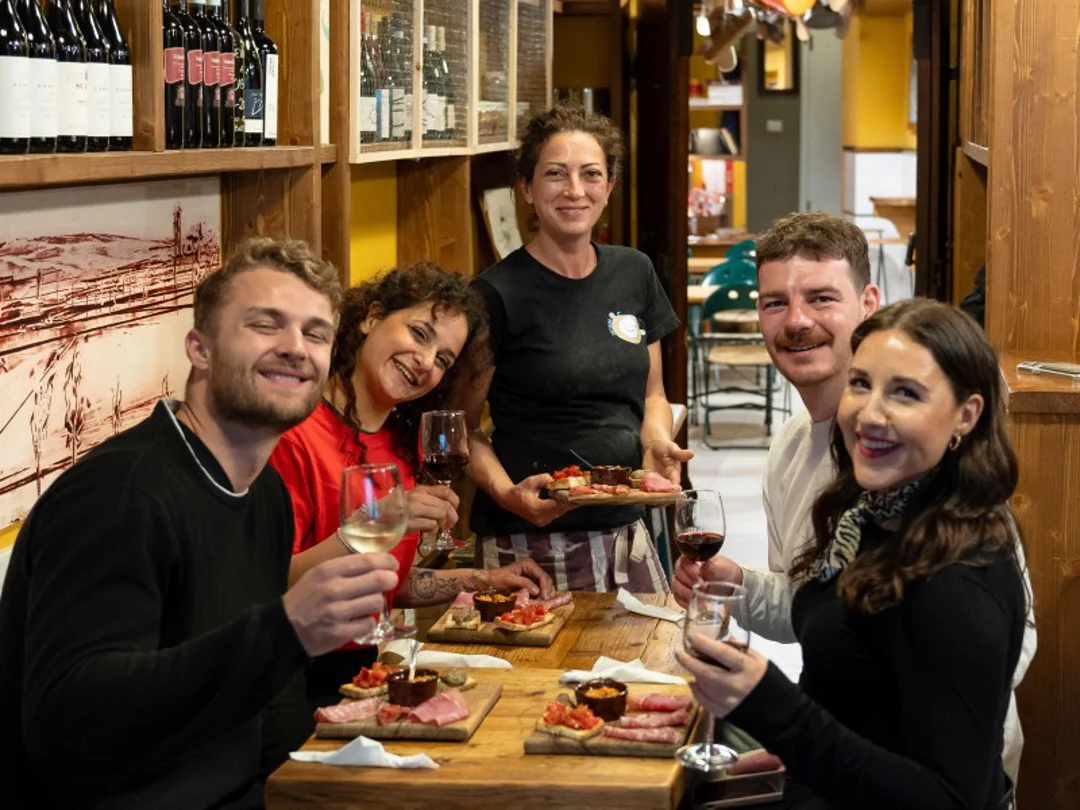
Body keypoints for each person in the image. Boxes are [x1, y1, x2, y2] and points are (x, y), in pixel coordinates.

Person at [0, 239, 400, 808]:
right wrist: (284, 629)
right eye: (266, 325)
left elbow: (263, 695)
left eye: (315, 334)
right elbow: (68, 720)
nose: (295, 348)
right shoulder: (120, 496)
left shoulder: (263, 492)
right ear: (201, 349)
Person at [673, 212, 1035, 783]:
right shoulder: (801, 452)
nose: (796, 322)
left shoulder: (940, 496)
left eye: (821, 298)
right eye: (774, 303)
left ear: (868, 303)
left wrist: (798, 721)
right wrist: (735, 585)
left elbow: (1004, 649)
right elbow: (817, 609)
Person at [269, 263, 555, 710]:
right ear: (370, 317)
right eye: (420, 334)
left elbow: (391, 585)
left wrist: (484, 580)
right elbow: (269, 582)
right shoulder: (292, 434)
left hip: (364, 669)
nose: (425, 362)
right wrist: (371, 525)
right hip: (289, 678)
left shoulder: (401, 445)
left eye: (443, 359)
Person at [461, 105, 692, 593]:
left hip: (626, 527)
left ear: (609, 187)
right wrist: (507, 495)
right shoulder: (494, 294)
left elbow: (653, 395)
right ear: (525, 187)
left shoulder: (634, 272)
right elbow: (460, 429)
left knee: (639, 664)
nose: (574, 190)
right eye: (554, 174)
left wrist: (654, 443)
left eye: (591, 174)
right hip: (531, 538)